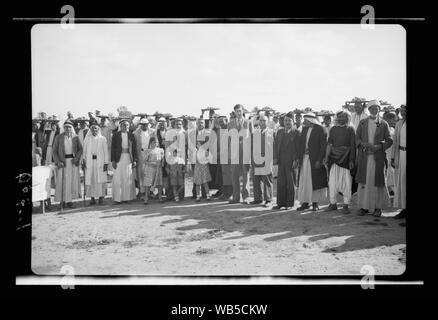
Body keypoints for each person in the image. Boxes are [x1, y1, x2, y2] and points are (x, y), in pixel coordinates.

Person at [355, 100, 393, 217]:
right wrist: (363, 144)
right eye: (372, 108)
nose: (374, 110)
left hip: (378, 158)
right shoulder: (362, 123)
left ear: (379, 110)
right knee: (364, 183)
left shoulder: (384, 124)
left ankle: (377, 208)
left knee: (377, 183)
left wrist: (378, 146)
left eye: (376, 108)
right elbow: (357, 138)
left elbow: (389, 140)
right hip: (365, 158)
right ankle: (364, 207)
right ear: (369, 109)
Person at [323, 110, 356, 214]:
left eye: (343, 117)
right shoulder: (333, 129)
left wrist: (351, 159)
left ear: (347, 118)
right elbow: (329, 144)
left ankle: (346, 205)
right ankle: (333, 204)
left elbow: (353, 145)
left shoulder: (350, 129)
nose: (341, 119)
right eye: (339, 117)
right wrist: (326, 157)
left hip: (346, 159)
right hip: (333, 159)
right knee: (332, 182)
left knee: (347, 182)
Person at [297, 112, 328, 211]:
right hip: (305, 159)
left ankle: (315, 203)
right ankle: (305, 202)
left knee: (314, 181)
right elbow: (301, 143)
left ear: (310, 120)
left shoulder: (320, 129)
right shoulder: (304, 129)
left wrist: (319, 160)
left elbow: (323, 146)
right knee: (304, 181)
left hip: (315, 160)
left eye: (305, 120)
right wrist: (302, 151)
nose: (304, 122)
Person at [52, 120, 83, 209]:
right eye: (65, 127)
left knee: (71, 181)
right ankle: (62, 201)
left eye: (69, 127)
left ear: (71, 128)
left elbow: (80, 149)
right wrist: (58, 161)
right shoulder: (59, 137)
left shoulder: (75, 137)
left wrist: (76, 158)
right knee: (62, 181)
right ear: (63, 128)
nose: (67, 128)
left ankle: (69, 201)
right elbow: (54, 151)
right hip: (62, 162)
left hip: (72, 162)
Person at [228, 104, 253, 204]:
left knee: (245, 175)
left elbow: (252, 138)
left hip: (245, 153)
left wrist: (251, 153)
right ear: (234, 112)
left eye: (240, 111)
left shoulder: (248, 122)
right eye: (236, 111)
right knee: (234, 176)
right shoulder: (230, 124)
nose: (238, 113)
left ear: (243, 111)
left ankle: (246, 197)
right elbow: (229, 139)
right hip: (234, 153)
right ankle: (236, 197)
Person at [111, 118, 137, 204]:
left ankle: (128, 198)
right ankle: (118, 199)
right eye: (123, 125)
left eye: (127, 125)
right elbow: (112, 149)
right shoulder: (115, 135)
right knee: (118, 178)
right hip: (118, 159)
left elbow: (134, 149)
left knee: (128, 178)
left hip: (128, 159)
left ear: (128, 126)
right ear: (120, 126)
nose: (125, 126)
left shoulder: (131, 135)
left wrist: (135, 160)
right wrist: (113, 160)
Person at [82, 120, 109, 205]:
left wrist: (106, 163)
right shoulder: (87, 139)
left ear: (98, 130)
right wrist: (83, 161)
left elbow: (105, 152)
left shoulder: (102, 139)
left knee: (100, 180)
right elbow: (84, 151)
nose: (94, 130)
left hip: (100, 162)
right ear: (91, 130)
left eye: (96, 129)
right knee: (91, 180)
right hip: (90, 162)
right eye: (93, 129)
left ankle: (101, 198)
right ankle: (92, 198)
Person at [252, 114, 274, 207]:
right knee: (256, 179)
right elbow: (252, 146)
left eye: (264, 121)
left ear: (268, 122)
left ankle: (268, 199)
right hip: (256, 159)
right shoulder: (255, 133)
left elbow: (274, 146)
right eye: (261, 121)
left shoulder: (272, 132)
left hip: (267, 159)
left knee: (267, 180)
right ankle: (258, 199)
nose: (262, 122)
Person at [134, 118, 156, 199]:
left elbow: (155, 142)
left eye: (146, 124)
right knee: (141, 173)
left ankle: (150, 191)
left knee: (150, 173)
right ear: (140, 125)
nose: (144, 126)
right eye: (143, 125)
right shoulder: (136, 133)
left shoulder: (152, 132)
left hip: (150, 153)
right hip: (140, 154)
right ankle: (142, 192)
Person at [165, 118, 186, 202]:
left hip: (182, 158)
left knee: (181, 178)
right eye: (177, 124)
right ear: (174, 125)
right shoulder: (170, 133)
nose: (178, 125)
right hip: (172, 158)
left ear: (182, 125)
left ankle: (180, 196)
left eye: (180, 124)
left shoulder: (185, 133)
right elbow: (167, 146)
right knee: (172, 178)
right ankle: (170, 196)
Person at [392, 104, 406, 219]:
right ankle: (404, 209)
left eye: (405, 111)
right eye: (401, 111)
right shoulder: (399, 123)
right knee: (401, 182)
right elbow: (395, 141)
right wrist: (393, 158)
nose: (403, 113)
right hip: (401, 154)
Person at [193, 119, 212, 202]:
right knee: (197, 180)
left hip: (204, 159)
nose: (200, 124)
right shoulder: (193, 133)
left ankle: (206, 195)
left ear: (204, 124)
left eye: (202, 123)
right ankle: (197, 195)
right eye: (198, 123)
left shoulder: (207, 133)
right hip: (196, 159)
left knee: (205, 180)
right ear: (196, 124)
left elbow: (210, 145)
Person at [143, 137, 164, 204]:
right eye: (154, 142)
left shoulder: (160, 150)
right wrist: (152, 163)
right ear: (150, 143)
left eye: (156, 142)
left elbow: (162, 160)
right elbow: (144, 161)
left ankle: (160, 197)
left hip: (158, 169)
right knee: (148, 184)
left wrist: (161, 163)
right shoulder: (147, 151)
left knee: (159, 184)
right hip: (150, 169)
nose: (155, 143)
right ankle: (146, 198)